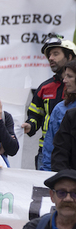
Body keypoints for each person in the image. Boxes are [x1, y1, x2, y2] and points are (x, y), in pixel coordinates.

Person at [26, 36, 76, 166]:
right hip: (46, 151)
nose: (51, 58)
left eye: (55, 54)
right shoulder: (44, 88)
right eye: (49, 55)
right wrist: (30, 125)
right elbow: (35, 115)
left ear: (70, 56)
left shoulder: (72, 87)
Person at [43, 62, 76, 171]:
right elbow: (50, 147)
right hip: (66, 181)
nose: (64, 80)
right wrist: (47, 174)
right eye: (65, 75)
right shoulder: (60, 108)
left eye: (70, 76)